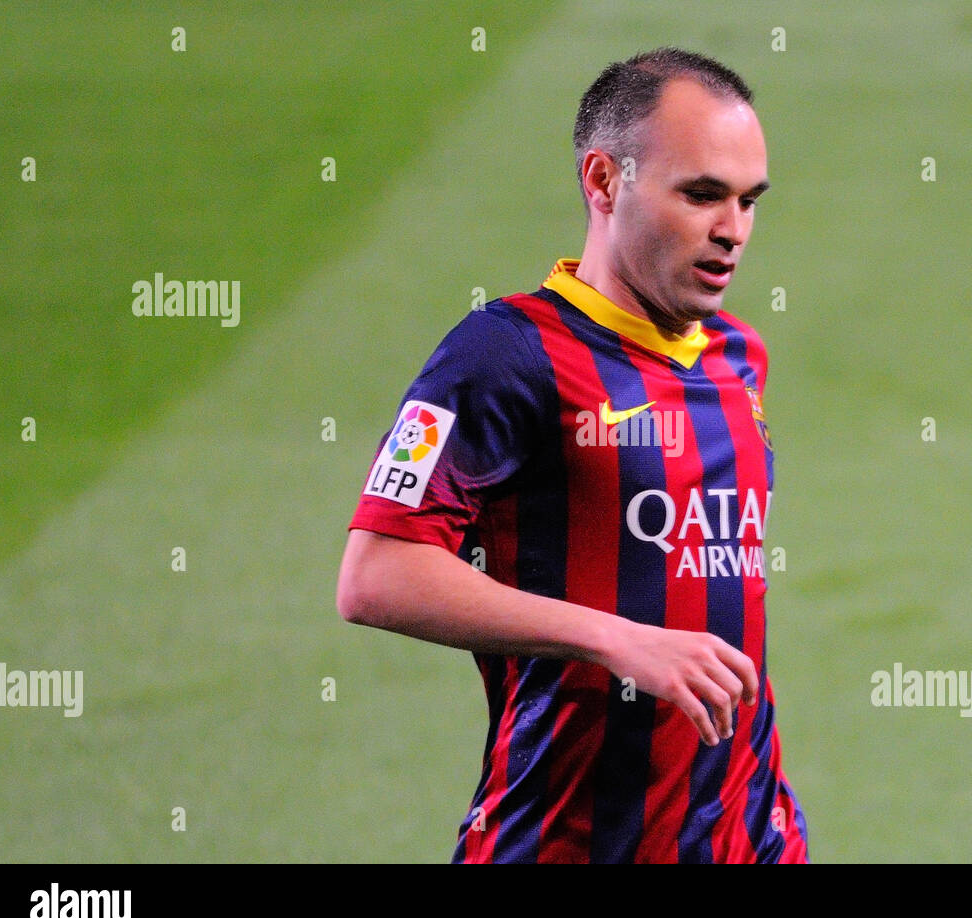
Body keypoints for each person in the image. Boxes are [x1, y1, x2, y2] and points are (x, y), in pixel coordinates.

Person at [337, 47, 809, 864]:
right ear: (603, 181)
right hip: (562, 840)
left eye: (747, 200)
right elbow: (376, 573)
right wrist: (618, 637)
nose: (732, 229)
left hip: (749, 839)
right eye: (700, 195)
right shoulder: (505, 354)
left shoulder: (740, 357)